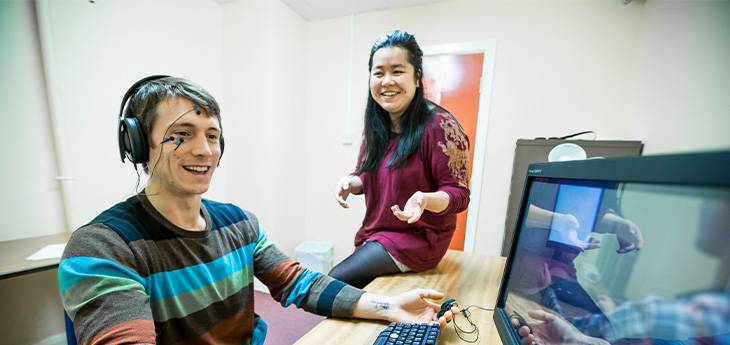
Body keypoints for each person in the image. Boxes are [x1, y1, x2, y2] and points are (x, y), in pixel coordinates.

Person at [58, 75, 458, 345]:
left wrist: (390, 307)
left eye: (212, 136)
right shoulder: (101, 248)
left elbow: (298, 283)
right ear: (139, 146)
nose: (204, 150)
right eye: (181, 136)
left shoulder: (239, 222)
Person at [330, 30, 471, 289]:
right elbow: (370, 174)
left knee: (333, 283)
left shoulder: (440, 125)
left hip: (419, 238)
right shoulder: (376, 125)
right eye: (378, 72)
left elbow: (459, 195)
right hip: (377, 234)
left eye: (397, 71)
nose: (387, 81)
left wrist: (425, 200)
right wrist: (353, 182)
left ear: (417, 77)